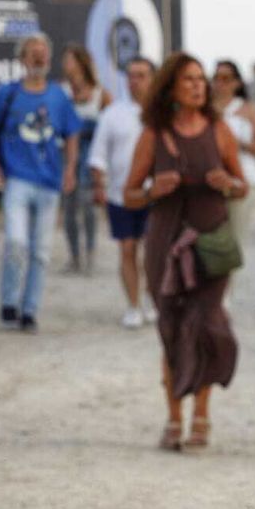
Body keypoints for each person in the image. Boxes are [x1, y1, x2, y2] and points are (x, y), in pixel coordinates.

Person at [122, 52, 249, 451]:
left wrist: (227, 183)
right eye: (189, 80)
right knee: (172, 330)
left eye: (201, 79)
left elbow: (243, 186)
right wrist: (151, 191)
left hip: (211, 243)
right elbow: (128, 195)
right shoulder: (153, 136)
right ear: (171, 88)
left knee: (208, 326)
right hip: (166, 243)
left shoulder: (220, 130)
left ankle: (203, 416)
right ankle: (174, 416)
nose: (198, 85)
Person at [0, 34, 81, 332]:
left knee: (41, 250)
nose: (38, 57)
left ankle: (30, 310)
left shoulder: (59, 96)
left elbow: (72, 133)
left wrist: (71, 168)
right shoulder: (8, 93)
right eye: (32, 52)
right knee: (16, 241)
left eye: (43, 53)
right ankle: (9, 302)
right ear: (22, 58)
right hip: (18, 180)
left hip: (49, 182)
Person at [89, 57, 157, 329]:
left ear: (153, 78)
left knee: (153, 251)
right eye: (130, 75)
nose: (134, 80)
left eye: (141, 75)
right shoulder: (112, 114)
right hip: (120, 195)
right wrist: (99, 185)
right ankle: (133, 305)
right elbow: (98, 155)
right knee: (128, 249)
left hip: (156, 196)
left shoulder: (163, 115)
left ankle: (153, 298)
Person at [211, 60, 255, 270]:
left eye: (226, 78)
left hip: (243, 177)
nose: (220, 84)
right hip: (211, 178)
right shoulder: (205, 108)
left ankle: (226, 292)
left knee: (235, 236)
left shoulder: (248, 109)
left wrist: (237, 143)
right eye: (216, 78)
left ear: (236, 82)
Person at [60, 43, 110, 273]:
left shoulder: (101, 94)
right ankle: (74, 255)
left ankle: (90, 252)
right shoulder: (61, 92)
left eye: (69, 60)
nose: (65, 64)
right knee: (69, 208)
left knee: (89, 207)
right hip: (67, 156)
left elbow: (108, 130)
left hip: (90, 158)